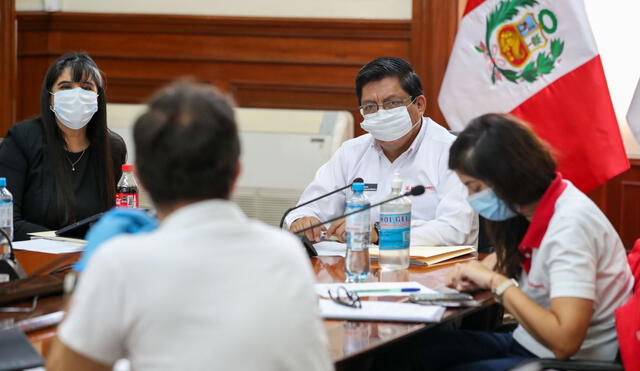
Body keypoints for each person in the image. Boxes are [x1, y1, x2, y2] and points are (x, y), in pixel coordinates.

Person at [47, 81, 333, 371]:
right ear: (236, 173)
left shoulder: (120, 263)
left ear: (141, 179)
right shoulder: (286, 254)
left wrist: (84, 278)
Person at [409, 113, 633, 370]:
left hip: (569, 360)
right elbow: (502, 259)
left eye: (476, 188)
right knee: (413, 351)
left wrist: (496, 283)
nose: (471, 199)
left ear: (508, 176)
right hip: (529, 343)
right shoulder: (529, 208)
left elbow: (565, 342)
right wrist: (478, 273)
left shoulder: (570, 226)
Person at [286, 57, 477, 246]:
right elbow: (308, 209)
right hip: (360, 268)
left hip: (438, 272)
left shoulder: (454, 152)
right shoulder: (351, 152)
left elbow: (455, 229)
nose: (381, 113)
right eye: (370, 107)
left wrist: (381, 232)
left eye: (392, 103)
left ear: (419, 105)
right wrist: (303, 220)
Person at [0, 52, 126, 241]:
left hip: (91, 259)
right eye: (65, 87)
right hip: (34, 260)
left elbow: (114, 219)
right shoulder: (22, 139)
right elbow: (7, 222)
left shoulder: (113, 147)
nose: (76, 95)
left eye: (86, 88)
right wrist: (63, 240)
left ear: (98, 97)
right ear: (50, 96)